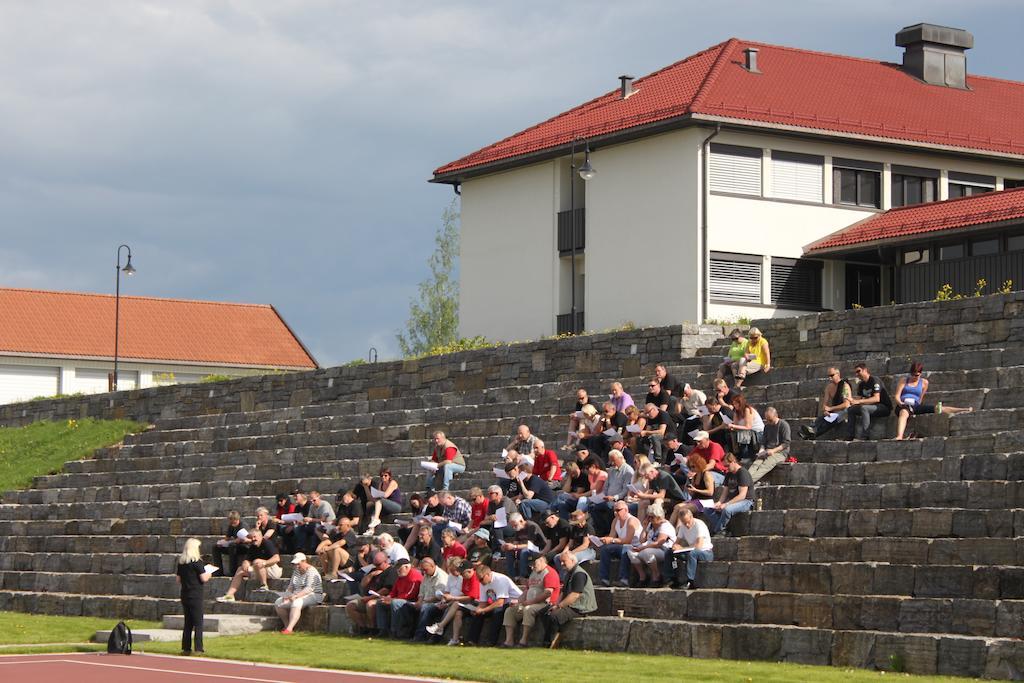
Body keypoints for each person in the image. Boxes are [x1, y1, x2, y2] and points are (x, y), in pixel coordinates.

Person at [893, 361, 973, 440]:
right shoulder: (903, 381)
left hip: (915, 405)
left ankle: (963, 409)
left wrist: (916, 406)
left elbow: (920, 398)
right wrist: (901, 403)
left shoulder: (924, 383)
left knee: (938, 408)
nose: (914, 377)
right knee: (904, 412)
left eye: (916, 375)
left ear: (920, 373)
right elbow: (897, 396)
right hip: (902, 405)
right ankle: (900, 436)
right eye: (913, 375)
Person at [502, 553, 561, 647]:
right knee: (510, 610)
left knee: (528, 609)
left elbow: (547, 593)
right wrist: (518, 601)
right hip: (530, 602)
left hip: (546, 604)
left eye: (534, 563)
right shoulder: (533, 573)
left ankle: (523, 641)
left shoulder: (550, 573)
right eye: (531, 564)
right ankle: (509, 641)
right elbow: (527, 590)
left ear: (542, 560)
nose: (532, 566)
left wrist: (530, 602)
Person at [545, 549, 597, 649]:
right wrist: (555, 605)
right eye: (561, 561)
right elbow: (563, 592)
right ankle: (552, 640)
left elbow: (574, 595)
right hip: (572, 604)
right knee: (546, 611)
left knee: (554, 616)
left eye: (564, 561)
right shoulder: (569, 573)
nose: (561, 564)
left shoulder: (579, 574)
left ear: (573, 561)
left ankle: (548, 644)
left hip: (581, 607)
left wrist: (559, 606)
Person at [464, 563, 523, 646]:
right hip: (499, 603)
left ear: (487, 574)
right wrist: (477, 610)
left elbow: (500, 602)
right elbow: (483, 603)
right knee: (478, 614)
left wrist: (483, 609)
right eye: (478, 580)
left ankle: (491, 642)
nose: (480, 582)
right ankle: (472, 640)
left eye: (481, 579)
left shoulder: (500, 579)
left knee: (497, 611)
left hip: (514, 602)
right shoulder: (483, 582)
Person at [426, 557, 481, 645]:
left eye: (462, 573)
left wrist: (452, 599)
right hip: (467, 603)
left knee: (455, 605)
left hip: (477, 604)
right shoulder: (466, 578)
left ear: (470, 571)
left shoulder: (474, 578)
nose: (461, 575)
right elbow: (464, 594)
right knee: (457, 613)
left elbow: (471, 597)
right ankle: (455, 639)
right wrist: (447, 600)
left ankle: (440, 626)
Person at [215, 528, 281, 601]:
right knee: (240, 569)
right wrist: (245, 563)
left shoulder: (267, 543)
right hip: (259, 569)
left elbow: (276, 558)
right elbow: (248, 559)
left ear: (260, 536)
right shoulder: (253, 546)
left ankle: (264, 586)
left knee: (257, 561)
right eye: (251, 537)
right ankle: (230, 595)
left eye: (255, 537)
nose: (253, 539)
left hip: (273, 570)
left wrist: (264, 563)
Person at [175, 537, 212, 655]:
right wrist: (210, 573)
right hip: (195, 594)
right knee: (198, 623)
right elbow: (204, 578)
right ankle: (198, 648)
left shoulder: (182, 563)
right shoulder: (197, 563)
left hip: (185, 594)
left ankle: (186, 648)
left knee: (188, 623)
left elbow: (178, 579)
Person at [346, 551, 396, 634]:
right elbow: (362, 584)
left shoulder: (391, 572)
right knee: (350, 606)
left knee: (370, 604)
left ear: (386, 561)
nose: (377, 566)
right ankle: (363, 628)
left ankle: (373, 628)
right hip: (367, 597)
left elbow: (386, 590)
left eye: (379, 564)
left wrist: (369, 598)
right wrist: (371, 574)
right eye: (375, 564)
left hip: (380, 598)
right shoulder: (374, 570)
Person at [627, 503, 675, 587]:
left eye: (652, 517)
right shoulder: (650, 525)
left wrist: (642, 548)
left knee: (646, 552)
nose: (649, 519)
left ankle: (656, 575)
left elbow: (658, 543)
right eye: (648, 517)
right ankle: (642, 576)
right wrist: (644, 528)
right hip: (649, 547)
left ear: (659, 517)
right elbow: (642, 540)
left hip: (664, 550)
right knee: (631, 552)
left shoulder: (665, 526)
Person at [704, 454, 754, 535]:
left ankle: (718, 531)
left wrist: (726, 504)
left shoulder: (742, 473)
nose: (726, 468)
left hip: (746, 501)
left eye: (727, 465)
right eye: (725, 466)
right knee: (707, 510)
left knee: (727, 510)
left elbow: (742, 495)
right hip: (732, 501)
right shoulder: (729, 474)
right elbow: (725, 492)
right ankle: (723, 529)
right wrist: (719, 502)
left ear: (733, 462)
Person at [275, 553, 323, 634]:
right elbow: (291, 586)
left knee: (297, 603)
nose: (296, 566)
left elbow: (309, 589)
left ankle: (289, 629)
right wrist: (287, 595)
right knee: (278, 603)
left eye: (298, 564)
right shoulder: (296, 571)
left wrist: (296, 596)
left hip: (313, 595)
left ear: (304, 561)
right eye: (294, 564)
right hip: (297, 594)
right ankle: (286, 625)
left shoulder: (312, 571)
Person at [596, 501, 643, 587]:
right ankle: (604, 578)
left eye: (618, 510)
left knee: (626, 548)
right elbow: (612, 537)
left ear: (626, 510)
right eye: (614, 510)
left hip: (635, 547)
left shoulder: (631, 521)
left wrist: (612, 540)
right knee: (605, 549)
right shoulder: (615, 521)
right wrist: (605, 540)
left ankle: (624, 579)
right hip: (622, 546)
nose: (615, 513)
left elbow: (628, 540)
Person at [665, 508, 713, 589]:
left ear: (691, 517)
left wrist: (682, 548)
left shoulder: (699, 525)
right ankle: (671, 578)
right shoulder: (683, 526)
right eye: (684, 522)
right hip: (691, 552)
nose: (686, 525)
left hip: (705, 552)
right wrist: (675, 547)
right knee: (669, 552)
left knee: (693, 553)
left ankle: (690, 581)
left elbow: (699, 546)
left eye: (688, 522)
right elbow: (676, 542)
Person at [800, 367, 853, 440]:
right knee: (821, 418)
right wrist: (825, 411)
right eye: (828, 376)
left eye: (832, 375)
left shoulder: (845, 386)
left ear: (838, 374)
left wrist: (831, 408)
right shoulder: (829, 387)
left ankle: (811, 434)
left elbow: (846, 404)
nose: (830, 378)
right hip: (834, 411)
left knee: (830, 421)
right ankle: (810, 431)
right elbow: (825, 404)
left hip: (844, 411)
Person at [589, 449, 634, 535]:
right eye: (611, 460)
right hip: (607, 497)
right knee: (592, 506)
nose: (611, 463)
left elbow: (625, 490)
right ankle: (602, 529)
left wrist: (614, 497)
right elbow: (606, 486)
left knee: (609, 507)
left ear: (621, 458)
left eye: (613, 460)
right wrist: (602, 496)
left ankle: (611, 531)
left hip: (618, 499)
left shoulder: (628, 471)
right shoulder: (611, 470)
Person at [376, 558, 423, 638]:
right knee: (380, 602)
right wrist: (388, 597)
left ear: (406, 567)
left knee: (396, 603)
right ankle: (383, 630)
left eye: (399, 568)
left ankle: (395, 631)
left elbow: (409, 595)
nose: (397, 570)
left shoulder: (414, 577)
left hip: (412, 602)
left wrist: (392, 600)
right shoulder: (401, 577)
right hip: (400, 599)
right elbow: (394, 591)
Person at [846, 363, 893, 441]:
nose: (857, 374)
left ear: (865, 370)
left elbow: (876, 399)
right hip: (871, 406)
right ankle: (850, 435)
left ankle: (865, 436)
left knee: (864, 408)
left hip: (883, 407)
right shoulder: (861, 385)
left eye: (858, 371)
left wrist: (859, 401)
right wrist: (852, 400)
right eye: (856, 372)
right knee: (851, 409)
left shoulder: (875, 380)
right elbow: (860, 398)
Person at [410, 556, 450, 642]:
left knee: (425, 608)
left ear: (432, 566)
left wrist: (424, 602)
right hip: (425, 601)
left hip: (437, 603)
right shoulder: (426, 575)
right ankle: (403, 632)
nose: (424, 572)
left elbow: (439, 596)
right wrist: (420, 601)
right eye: (423, 570)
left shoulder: (441, 577)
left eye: (426, 570)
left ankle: (419, 635)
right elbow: (422, 591)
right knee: (406, 606)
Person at [748, 407, 791, 482]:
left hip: (780, 452)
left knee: (765, 466)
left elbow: (786, 443)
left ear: (776, 415)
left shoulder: (783, 425)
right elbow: (763, 442)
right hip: (767, 451)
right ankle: (744, 480)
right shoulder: (767, 426)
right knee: (756, 464)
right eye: (767, 420)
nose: (768, 422)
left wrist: (773, 451)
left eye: (770, 420)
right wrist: (761, 450)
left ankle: (747, 482)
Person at [502, 512, 547, 580]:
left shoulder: (531, 526)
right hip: (526, 548)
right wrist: (507, 546)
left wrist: (514, 547)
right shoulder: (518, 528)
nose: (514, 528)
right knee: (509, 552)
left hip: (537, 548)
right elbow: (515, 543)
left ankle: (523, 576)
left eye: (515, 525)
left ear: (521, 521)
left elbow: (530, 545)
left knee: (524, 552)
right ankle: (512, 576)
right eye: (512, 526)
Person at [727, 395, 764, 461]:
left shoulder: (747, 410)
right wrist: (732, 427)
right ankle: (736, 455)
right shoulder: (736, 412)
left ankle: (746, 456)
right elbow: (735, 425)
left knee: (743, 434)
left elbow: (748, 426)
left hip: (756, 432)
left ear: (740, 403)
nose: (734, 405)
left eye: (736, 403)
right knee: (729, 435)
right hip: (745, 431)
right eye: (733, 404)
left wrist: (733, 426)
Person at [365, 468, 403, 532]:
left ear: (389, 476)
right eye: (382, 476)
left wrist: (376, 495)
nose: (383, 477)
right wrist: (366, 487)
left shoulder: (393, 483)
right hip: (385, 505)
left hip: (396, 506)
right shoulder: (381, 484)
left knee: (378, 500)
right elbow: (375, 497)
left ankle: (376, 519)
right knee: (370, 505)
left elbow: (385, 495)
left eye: (385, 475)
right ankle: (371, 529)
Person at [211, 511, 244, 578]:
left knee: (232, 546)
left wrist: (231, 542)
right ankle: (218, 571)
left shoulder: (242, 526)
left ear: (237, 519)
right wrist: (221, 542)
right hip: (233, 545)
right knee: (215, 547)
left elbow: (240, 539)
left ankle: (233, 571)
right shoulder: (231, 526)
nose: (232, 523)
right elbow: (227, 537)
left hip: (243, 546)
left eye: (233, 521)